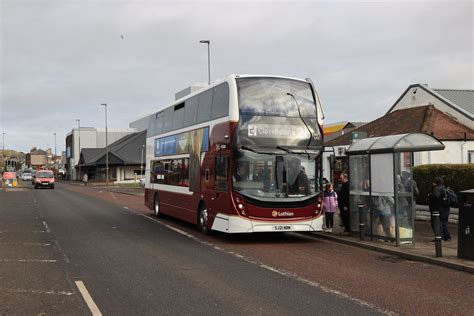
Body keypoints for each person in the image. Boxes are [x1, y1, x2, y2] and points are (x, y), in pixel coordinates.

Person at [429, 176, 451, 241]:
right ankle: (447, 237)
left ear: (435, 182)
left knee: (437, 223)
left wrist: (430, 195)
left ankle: (439, 237)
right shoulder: (444, 188)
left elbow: (436, 196)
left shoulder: (437, 188)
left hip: (438, 209)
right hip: (445, 209)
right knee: (444, 223)